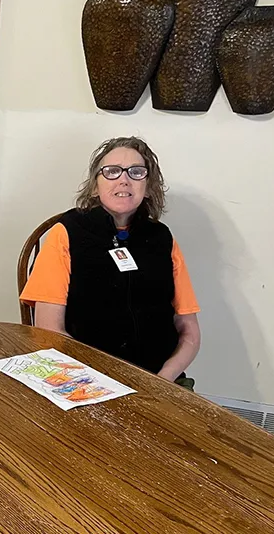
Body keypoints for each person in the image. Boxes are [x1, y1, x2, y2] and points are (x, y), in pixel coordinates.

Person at [20, 136, 201, 389]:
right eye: (112, 171)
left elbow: (190, 333)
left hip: (160, 380)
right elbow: (48, 332)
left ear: (148, 187)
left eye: (137, 172)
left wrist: (162, 380)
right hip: (86, 379)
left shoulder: (162, 238)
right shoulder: (67, 233)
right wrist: (105, 383)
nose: (124, 179)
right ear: (95, 186)